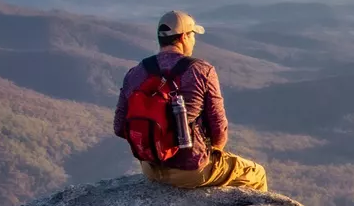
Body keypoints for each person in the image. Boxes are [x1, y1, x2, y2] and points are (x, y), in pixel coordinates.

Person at [114, 10, 268, 191]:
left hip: (151, 168)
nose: (194, 40)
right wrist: (212, 153)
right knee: (257, 173)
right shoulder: (202, 70)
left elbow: (119, 127)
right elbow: (218, 130)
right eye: (193, 35)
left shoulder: (136, 72)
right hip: (191, 169)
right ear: (184, 37)